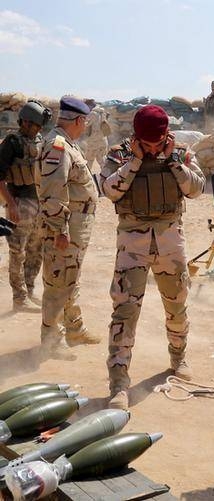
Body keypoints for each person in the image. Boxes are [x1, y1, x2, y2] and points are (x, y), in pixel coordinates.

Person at [100, 104, 205, 410]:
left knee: (177, 305)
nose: (153, 148)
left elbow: (196, 189)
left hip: (170, 243)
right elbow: (110, 190)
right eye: (147, 144)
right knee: (125, 312)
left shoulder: (180, 152)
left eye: (158, 143)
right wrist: (135, 160)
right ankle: (119, 383)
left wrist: (172, 159)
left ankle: (178, 358)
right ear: (136, 137)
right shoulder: (119, 154)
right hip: (132, 245)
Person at [38, 96, 101, 360]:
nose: (85, 126)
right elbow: (53, 192)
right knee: (58, 282)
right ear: (78, 120)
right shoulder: (58, 146)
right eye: (84, 121)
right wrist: (58, 231)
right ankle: (51, 340)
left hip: (76, 226)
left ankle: (74, 329)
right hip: (66, 229)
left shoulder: (69, 144)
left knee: (69, 279)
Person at [0, 100, 51, 312]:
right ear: (26, 122)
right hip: (19, 203)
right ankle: (18, 297)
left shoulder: (40, 141)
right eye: (36, 125)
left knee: (36, 250)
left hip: (38, 202)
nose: (39, 129)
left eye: (40, 126)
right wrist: (10, 204)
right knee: (17, 252)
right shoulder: (12, 142)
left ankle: (29, 290)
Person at [81, 98, 111, 171]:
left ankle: (88, 180)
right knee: (103, 162)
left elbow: (85, 124)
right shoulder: (103, 112)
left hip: (93, 142)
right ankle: (107, 178)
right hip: (103, 141)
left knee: (88, 162)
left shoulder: (92, 114)